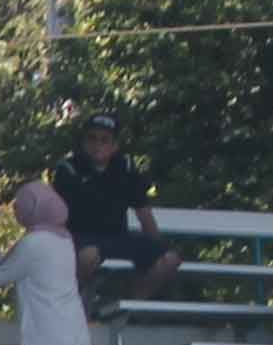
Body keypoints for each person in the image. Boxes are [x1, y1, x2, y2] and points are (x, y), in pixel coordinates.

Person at [48, 114, 180, 307]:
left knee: (170, 259)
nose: (97, 145)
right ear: (83, 142)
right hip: (80, 238)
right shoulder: (68, 169)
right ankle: (69, 305)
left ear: (115, 145)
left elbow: (143, 212)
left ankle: (130, 307)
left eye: (104, 140)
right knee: (88, 256)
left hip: (118, 238)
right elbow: (55, 216)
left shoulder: (125, 167)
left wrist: (158, 246)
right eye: (92, 138)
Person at [0, 183, 96, 345]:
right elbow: (12, 265)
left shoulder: (33, 242)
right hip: (76, 335)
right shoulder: (64, 240)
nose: (16, 208)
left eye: (20, 204)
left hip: (46, 337)